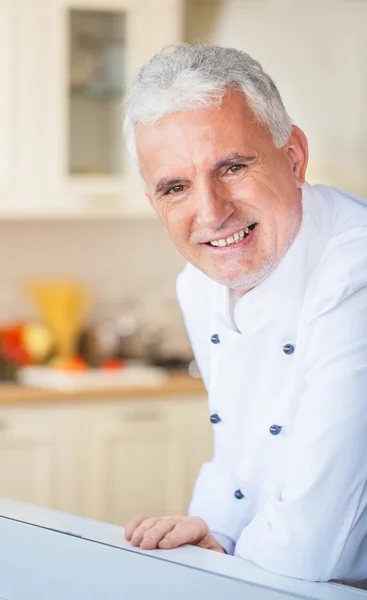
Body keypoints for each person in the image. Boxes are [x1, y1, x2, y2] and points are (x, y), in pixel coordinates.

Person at [121, 44, 367, 583]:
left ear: (295, 157)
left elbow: (311, 545)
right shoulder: (199, 283)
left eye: (232, 167)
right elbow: (238, 452)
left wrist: (223, 560)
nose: (210, 212)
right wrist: (212, 532)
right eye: (176, 187)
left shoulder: (356, 273)